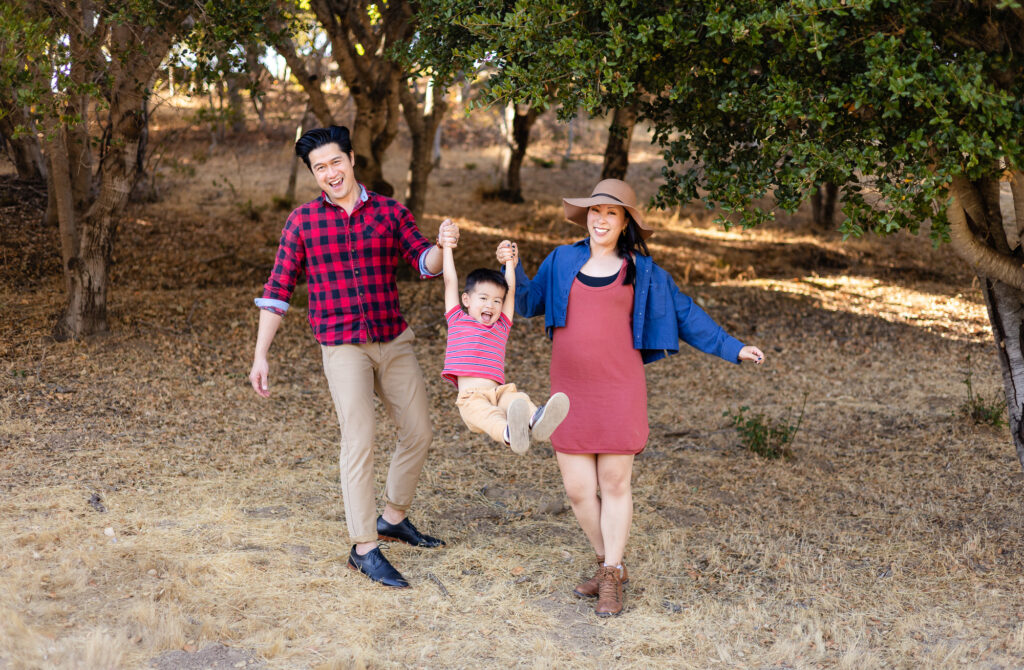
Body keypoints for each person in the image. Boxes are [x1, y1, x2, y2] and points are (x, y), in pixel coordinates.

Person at [502, 178, 765, 616]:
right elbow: (528, 302)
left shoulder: (642, 272)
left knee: (614, 484)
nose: (601, 219)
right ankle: (613, 567)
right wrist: (513, 269)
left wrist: (731, 347)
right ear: (586, 216)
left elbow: (684, 313)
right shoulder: (563, 259)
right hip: (570, 393)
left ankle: (609, 573)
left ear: (625, 222)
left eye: (612, 213)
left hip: (618, 389)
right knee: (578, 490)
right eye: (595, 211)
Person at [249, 125, 458, 589]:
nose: (330, 173)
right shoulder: (302, 222)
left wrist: (442, 248)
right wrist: (261, 355)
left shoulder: (387, 211)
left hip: (393, 339)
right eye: (319, 168)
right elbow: (278, 290)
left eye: (335, 162)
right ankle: (364, 547)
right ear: (313, 173)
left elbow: (424, 262)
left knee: (418, 432)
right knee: (359, 440)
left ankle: (393, 517)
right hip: (342, 345)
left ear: (351, 160)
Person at [439, 230, 570, 453]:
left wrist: (510, 263)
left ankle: (536, 419)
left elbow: (510, 293)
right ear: (466, 300)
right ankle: (510, 434)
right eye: (483, 299)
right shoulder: (457, 319)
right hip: (471, 398)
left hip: (499, 392)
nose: (490, 305)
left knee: (517, 399)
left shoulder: (501, 326)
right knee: (487, 415)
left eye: (496, 301)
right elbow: (450, 280)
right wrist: (447, 248)